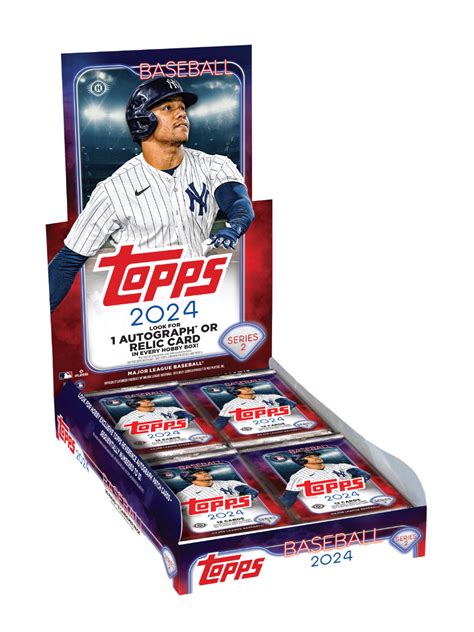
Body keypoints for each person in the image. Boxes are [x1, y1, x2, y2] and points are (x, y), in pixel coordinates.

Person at [49, 77, 254, 312]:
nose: (181, 114)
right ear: (142, 121)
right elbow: (68, 261)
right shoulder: (113, 190)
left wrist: (235, 227)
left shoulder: (213, 166)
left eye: (182, 107)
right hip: (140, 311)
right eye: (168, 108)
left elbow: (238, 201)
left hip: (198, 300)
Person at [281, 452, 371, 508]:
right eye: (311, 456)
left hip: (353, 501)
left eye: (315, 455)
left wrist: (360, 480)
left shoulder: (339, 466)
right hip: (326, 506)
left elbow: (364, 475)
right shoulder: (298, 477)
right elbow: (288, 499)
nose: (316, 457)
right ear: (301, 461)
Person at [115, 397, 195, 449]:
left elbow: (189, 416)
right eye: (143, 401)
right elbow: (117, 435)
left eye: (148, 399)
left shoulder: (168, 409)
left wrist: (182, 423)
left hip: (176, 441)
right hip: (150, 445)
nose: (148, 401)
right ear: (135, 405)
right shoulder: (128, 418)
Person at [214, 385, 296, 430]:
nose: (249, 388)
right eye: (244, 388)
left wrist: (285, 408)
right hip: (253, 430)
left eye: (248, 387)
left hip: (278, 426)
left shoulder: (268, 396)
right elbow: (220, 423)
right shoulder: (231, 405)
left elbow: (290, 403)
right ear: (236, 392)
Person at [176, 469, 259, 503]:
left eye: (205, 472)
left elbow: (241, 487)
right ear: (190, 478)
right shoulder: (184, 494)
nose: (206, 473)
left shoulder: (226, 483)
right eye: (199, 473)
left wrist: (249, 491)